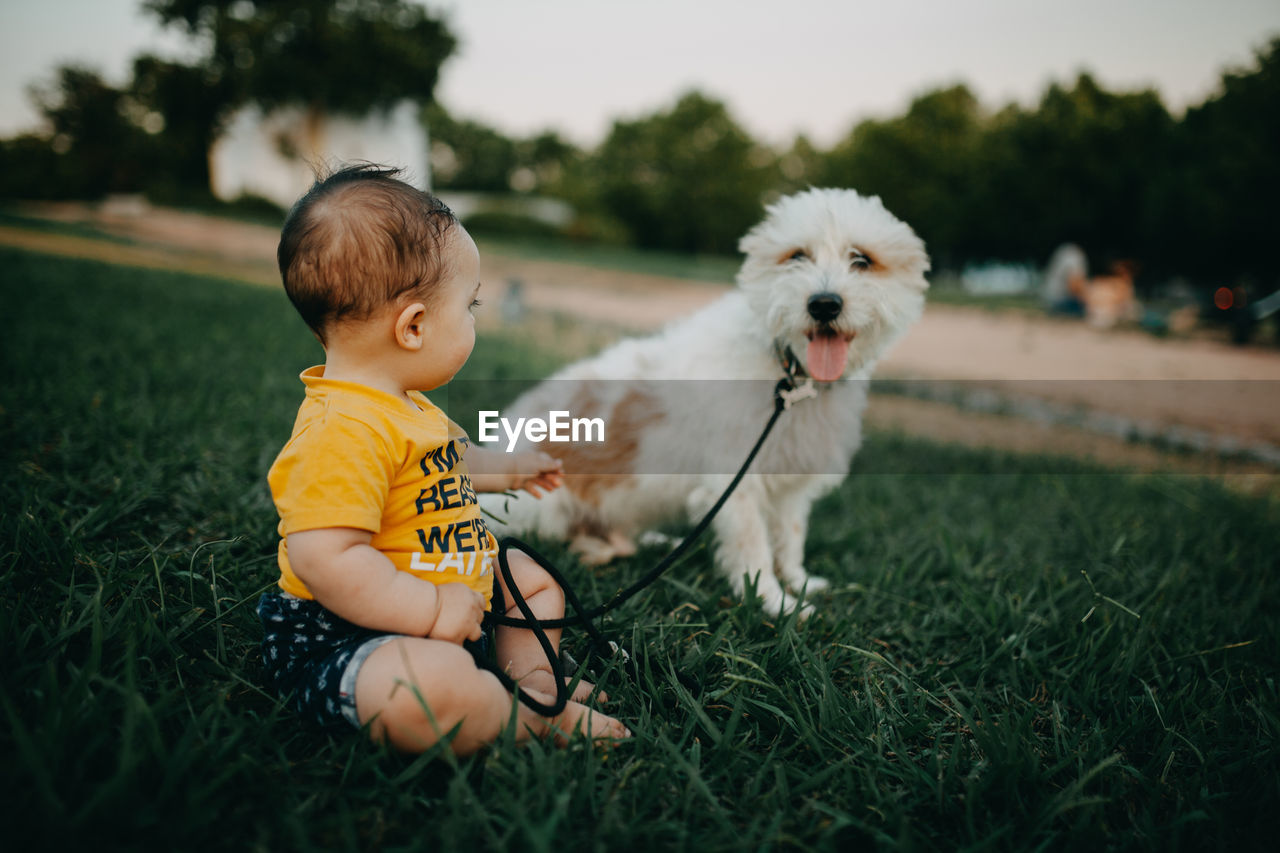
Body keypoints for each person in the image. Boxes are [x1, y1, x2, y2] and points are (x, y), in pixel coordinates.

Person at [257, 163, 630, 755]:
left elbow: (451, 463)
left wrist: (509, 469)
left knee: (530, 584)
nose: (475, 320)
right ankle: (529, 720)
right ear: (414, 326)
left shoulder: (410, 410)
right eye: (470, 306)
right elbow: (325, 558)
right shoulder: (343, 431)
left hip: (455, 611)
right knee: (425, 691)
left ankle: (533, 680)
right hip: (353, 636)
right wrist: (428, 608)